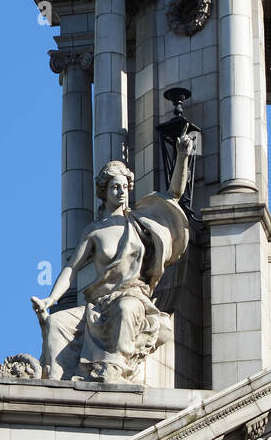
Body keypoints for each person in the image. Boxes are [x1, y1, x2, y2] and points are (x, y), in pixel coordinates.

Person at [32, 131, 193, 383]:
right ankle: (55, 383)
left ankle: (113, 371)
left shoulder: (141, 223)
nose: (121, 192)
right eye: (115, 187)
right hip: (99, 304)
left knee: (126, 308)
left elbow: (173, 194)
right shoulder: (94, 231)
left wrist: (182, 156)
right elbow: (71, 269)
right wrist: (50, 299)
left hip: (132, 297)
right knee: (55, 323)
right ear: (104, 191)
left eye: (125, 187)